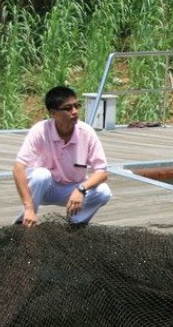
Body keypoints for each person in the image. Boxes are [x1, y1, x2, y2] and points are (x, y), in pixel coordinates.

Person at [12, 85, 112, 227]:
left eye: (77, 106)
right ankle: (25, 220)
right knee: (41, 175)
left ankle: (75, 224)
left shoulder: (87, 132)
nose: (75, 112)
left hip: (73, 191)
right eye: (68, 108)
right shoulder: (40, 130)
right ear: (53, 113)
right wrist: (28, 207)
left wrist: (81, 189)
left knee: (104, 191)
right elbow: (18, 168)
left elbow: (102, 172)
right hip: (45, 189)